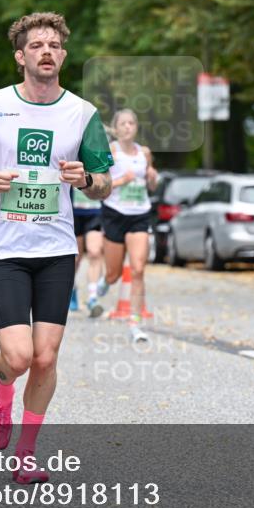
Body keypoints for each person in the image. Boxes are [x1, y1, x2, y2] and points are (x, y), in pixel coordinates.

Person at [0, 12, 113, 484]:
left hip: (57, 248)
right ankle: (1, 387)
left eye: (54, 45)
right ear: (20, 56)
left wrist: (84, 178)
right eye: (37, 45)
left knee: (46, 358)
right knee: (19, 357)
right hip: (5, 247)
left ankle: (26, 452)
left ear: (63, 55)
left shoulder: (82, 114)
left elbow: (103, 183)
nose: (47, 51)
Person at [95, 109, 159, 343]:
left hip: (139, 215)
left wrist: (152, 177)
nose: (128, 127)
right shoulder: (111, 151)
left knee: (138, 269)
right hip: (114, 213)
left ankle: (135, 324)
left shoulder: (145, 153)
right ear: (116, 127)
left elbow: (151, 186)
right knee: (113, 274)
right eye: (123, 123)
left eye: (132, 123)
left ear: (136, 127)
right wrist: (123, 180)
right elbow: (101, 183)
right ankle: (104, 282)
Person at [71, 176, 105, 317]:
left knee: (95, 252)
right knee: (75, 258)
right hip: (73, 213)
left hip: (95, 212)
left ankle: (92, 297)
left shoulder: (96, 155)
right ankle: (72, 290)